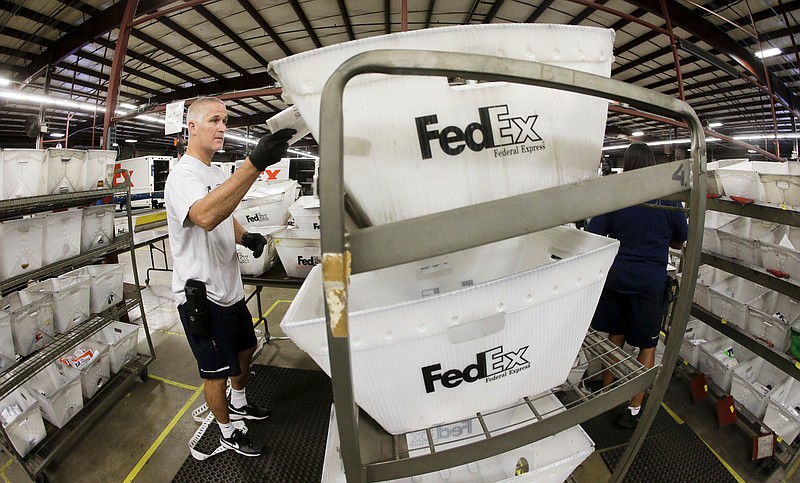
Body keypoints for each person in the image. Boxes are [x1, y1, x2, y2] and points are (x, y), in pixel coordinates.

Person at [164, 96, 295, 457]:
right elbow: (205, 215)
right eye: (214, 120)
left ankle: (239, 403)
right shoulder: (182, 175)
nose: (223, 127)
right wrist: (254, 164)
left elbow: (224, 209)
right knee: (215, 374)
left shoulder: (214, 171)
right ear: (191, 127)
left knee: (246, 349)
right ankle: (226, 432)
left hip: (229, 288)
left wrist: (244, 235)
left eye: (225, 120)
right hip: (203, 296)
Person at [587, 141, 688, 428]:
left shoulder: (616, 195)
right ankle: (633, 409)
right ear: (653, 163)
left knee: (615, 337)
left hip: (617, 279)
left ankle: (606, 391)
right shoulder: (668, 198)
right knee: (646, 345)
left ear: (626, 165)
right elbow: (680, 239)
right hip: (649, 284)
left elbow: (596, 233)